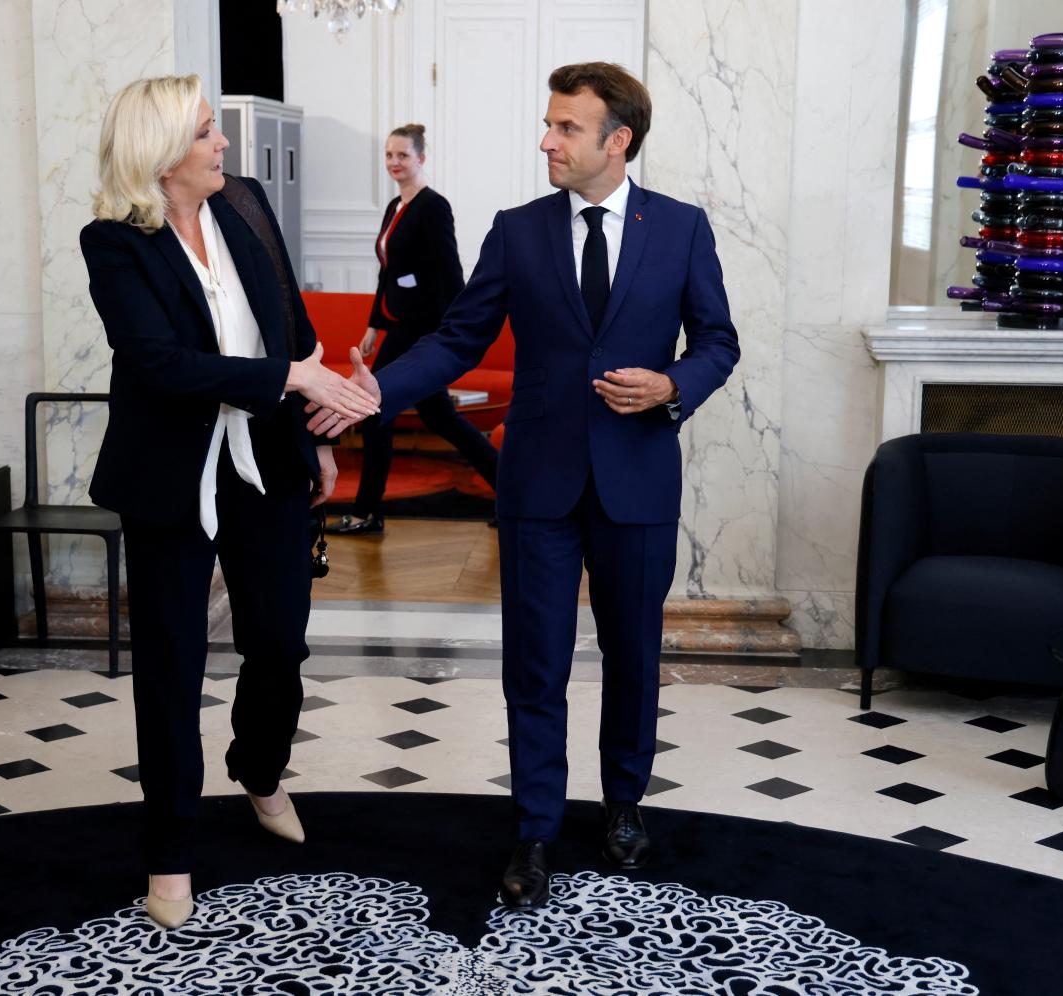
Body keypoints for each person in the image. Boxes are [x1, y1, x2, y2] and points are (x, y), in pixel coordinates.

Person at [309, 62, 740, 909]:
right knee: (533, 666)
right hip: (537, 483)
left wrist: (673, 386)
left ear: (617, 141)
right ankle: (536, 828)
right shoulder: (518, 228)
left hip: (638, 478)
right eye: (549, 124)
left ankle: (623, 806)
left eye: (567, 127)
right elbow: (458, 338)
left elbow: (719, 342)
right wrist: (374, 392)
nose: (547, 140)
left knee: (634, 657)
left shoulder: (683, 229)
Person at [79, 75, 380, 930]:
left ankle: (259, 768)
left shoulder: (243, 205)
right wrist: (289, 378)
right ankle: (169, 848)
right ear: (163, 153)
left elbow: (286, 323)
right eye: (207, 134)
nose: (223, 147)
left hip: (266, 459)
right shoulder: (114, 242)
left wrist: (315, 431)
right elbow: (162, 365)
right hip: (172, 475)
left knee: (280, 639)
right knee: (170, 667)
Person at [332, 124, 498, 535]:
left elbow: (449, 271)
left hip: (422, 331)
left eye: (402, 156)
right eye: (389, 155)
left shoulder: (432, 206)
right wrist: (374, 323)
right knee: (442, 419)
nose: (394, 163)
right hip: (399, 326)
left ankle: (367, 512)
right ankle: (514, 496)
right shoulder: (395, 206)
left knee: (373, 411)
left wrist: (454, 334)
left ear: (421, 159)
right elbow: (387, 272)